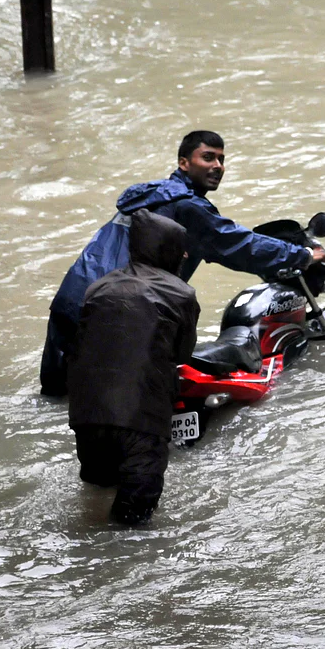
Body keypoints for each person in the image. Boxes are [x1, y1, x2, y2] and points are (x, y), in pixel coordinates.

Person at [40, 130, 325, 396]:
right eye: (208, 157)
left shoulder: (149, 195)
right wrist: (303, 255)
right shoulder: (187, 206)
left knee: (59, 396)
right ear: (184, 162)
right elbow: (238, 245)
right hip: (124, 310)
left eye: (221, 159)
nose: (217, 166)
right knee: (138, 399)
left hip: (72, 298)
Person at [67, 210, 200, 525]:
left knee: (96, 491)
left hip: (87, 416)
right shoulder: (181, 293)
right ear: (167, 249)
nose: (184, 254)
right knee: (133, 523)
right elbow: (183, 351)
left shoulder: (98, 287)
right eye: (180, 247)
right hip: (141, 418)